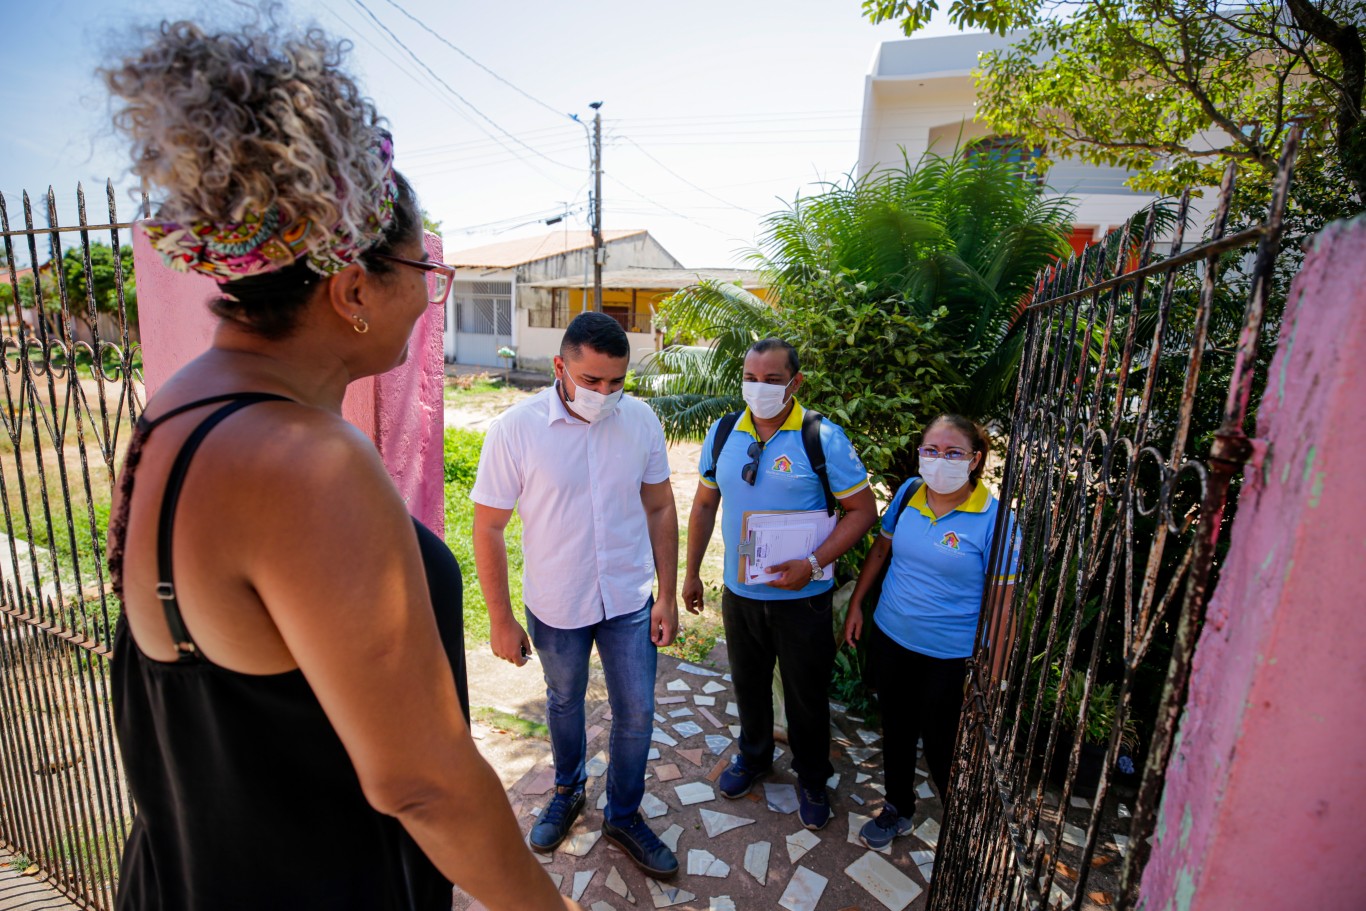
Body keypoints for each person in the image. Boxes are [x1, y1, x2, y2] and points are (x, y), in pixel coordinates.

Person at [102, 18, 573, 911]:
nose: (428, 297)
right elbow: (421, 781)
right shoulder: (306, 465)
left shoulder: (182, 406)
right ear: (353, 289)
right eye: (421, 273)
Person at [471, 312, 684, 878]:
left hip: (629, 598)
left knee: (636, 712)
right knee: (563, 702)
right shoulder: (515, 430)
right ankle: (567, 790)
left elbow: (661, 506)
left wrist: (665, 595)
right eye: (592, 381)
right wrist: (500, 616)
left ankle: (624, 814)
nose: (605, 394)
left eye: (617, 382)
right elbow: (488, 526)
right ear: (561, 367)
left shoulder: (639, 421)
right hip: (557, 603)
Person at [682, 338, 878, 830]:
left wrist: (812, 564)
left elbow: (862, 512)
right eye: (751, 377)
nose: (759, 388)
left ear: (795, 382)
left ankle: (812, 777)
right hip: (741, 594)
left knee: (805, 694)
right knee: (748, 686)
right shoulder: (724, 431)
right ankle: (753, 757)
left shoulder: (822, 438)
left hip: (803, 599)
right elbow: (705, 504)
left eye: (772, 380)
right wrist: (691, 572)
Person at [842, 414, 1018, 850]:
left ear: (975, 460)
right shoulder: (908, 494)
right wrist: (858, 603)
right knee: (897, 731)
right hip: (891, 638)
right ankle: (897, 809)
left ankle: (963, 830)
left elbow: (1002, 606)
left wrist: (995, 678)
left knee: (943, 747)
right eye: (931, 450)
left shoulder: (994, 520)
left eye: (953, 452)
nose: (940, 460)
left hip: (948, 656)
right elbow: (881, 550)